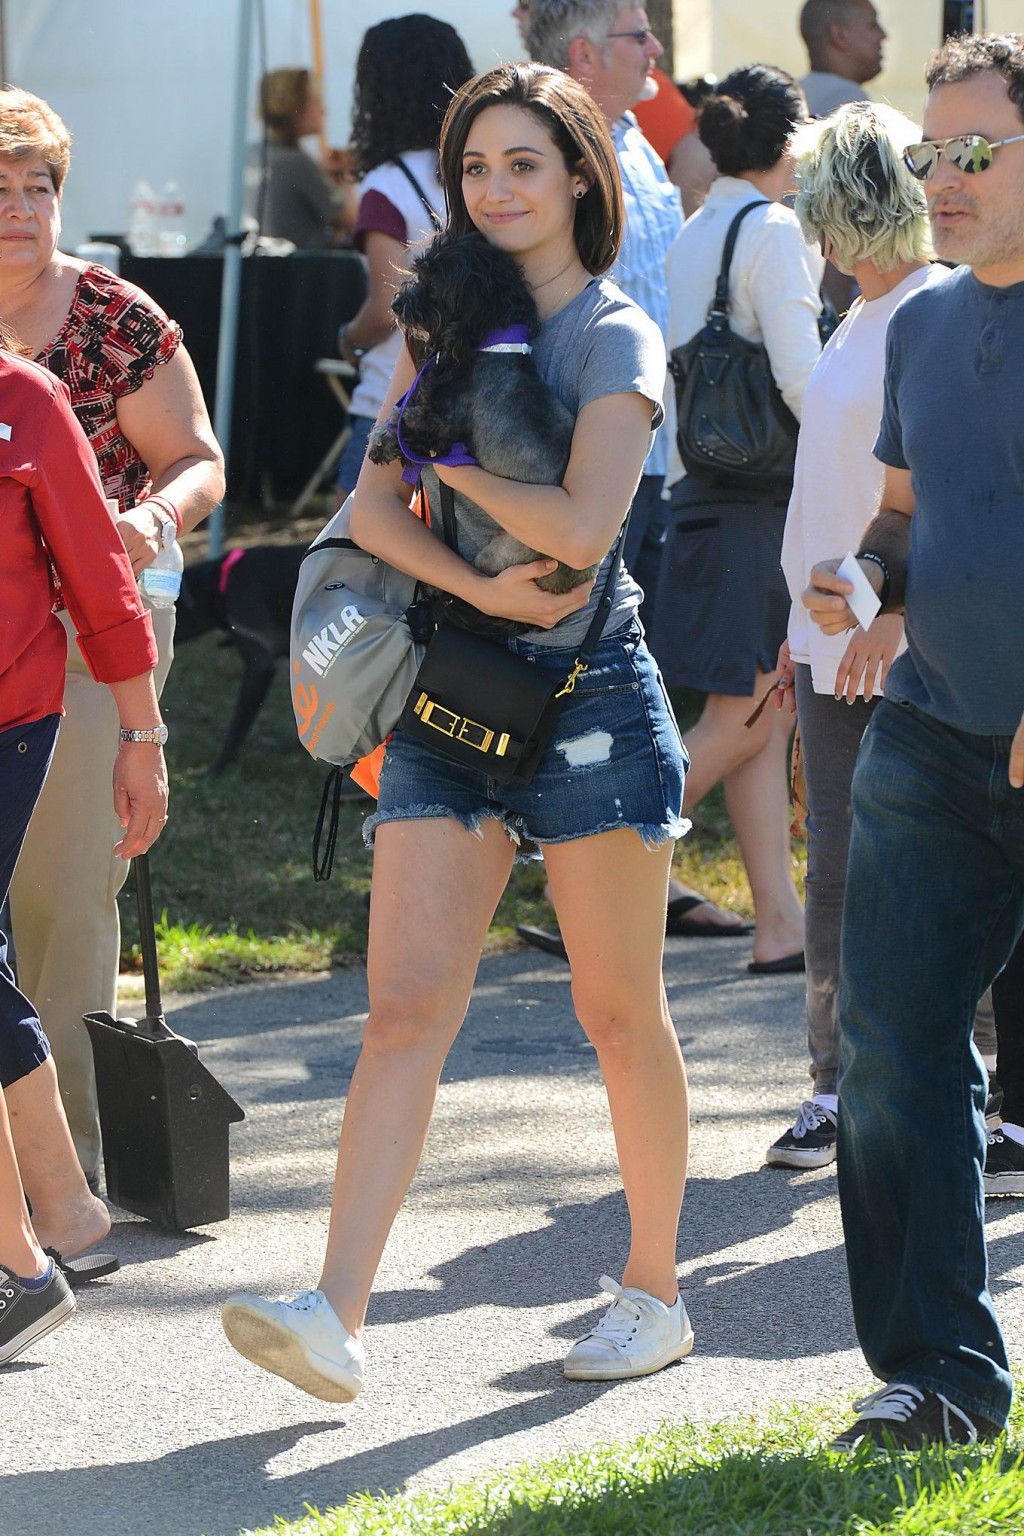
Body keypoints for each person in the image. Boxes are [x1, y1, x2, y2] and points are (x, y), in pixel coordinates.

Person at [222, 61, 694, 1403]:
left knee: (617, 1014)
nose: (496, 189)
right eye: (476, 166)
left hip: (595, 691)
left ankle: (654, 1291)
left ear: (579, 181)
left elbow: (585, 524)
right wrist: (475, 578)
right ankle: (335, 1312)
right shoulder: (443, 327)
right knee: (402, 1010)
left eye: (523, 166)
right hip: (456, 686)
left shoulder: (616, 335)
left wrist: (455, 470)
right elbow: (369, 514)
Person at [802, 33, 1024, 1449]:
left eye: (978, 151)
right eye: (932, 152)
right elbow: (900, 507)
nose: (944, 178)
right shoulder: (927, 323)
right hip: (934, 738)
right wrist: (862, 584)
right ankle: (938, 1377)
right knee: (889, 1049)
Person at [0, 88, 224, 1214]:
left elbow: (197, 457)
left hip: (102, 634)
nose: (23, 210)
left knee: (60, 894)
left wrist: (158, 518)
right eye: (0, 189)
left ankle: (62, 1175)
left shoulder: (112, 317)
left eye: (39, 187)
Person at [525, 0, 747, 939]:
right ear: (584, 52)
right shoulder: (554, 152)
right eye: (636, 34)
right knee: (584, 665)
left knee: (620, 663)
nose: (656, 46)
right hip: (595, 457)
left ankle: (622, 877)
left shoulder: (630, 140)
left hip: (652, 451)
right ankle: (589, 879)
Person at [766, 100, 945, 1167]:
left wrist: (893, 611)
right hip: (825, 639)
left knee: (907, 869)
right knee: (837, 869)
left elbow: (934, 497)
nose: (809, 230)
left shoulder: (925, 311)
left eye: (817, 207)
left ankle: (913, 1084)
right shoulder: (861, 312)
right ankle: (836, 1085)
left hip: (887, 642)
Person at [1, 337, 168, 1359]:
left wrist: (142, 735)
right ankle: (42, 1228)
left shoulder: (24, 396)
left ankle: (36, 1241)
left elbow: (97, 575)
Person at [655, 64, 824, 972]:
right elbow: (805, 381)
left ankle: (780, 926)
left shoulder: (698, 230)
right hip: (762, 504)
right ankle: (589, 859)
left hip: (707, 499)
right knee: (743, 717)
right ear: (792, 139)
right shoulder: (776, 229)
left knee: (759, 714)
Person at [335, 16, 475, 499]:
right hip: (478, 393)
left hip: (394, 399)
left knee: (351, 559)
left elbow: (385, 309)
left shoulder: (385, 186)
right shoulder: (479, 170)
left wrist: (347, 342)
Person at [245, 68, 352, 249]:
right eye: (315, 100)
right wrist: (348, 174)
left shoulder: (252, 154)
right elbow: (350, 219)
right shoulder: (297, 163)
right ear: (295, 106)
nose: (323, 109)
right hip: (299, 270)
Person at [798, 0, 887, 119]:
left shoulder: (791, 96)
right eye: (873, 24)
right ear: (840, 35)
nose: (883, 35)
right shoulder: (849, 102)